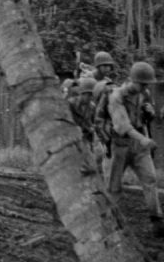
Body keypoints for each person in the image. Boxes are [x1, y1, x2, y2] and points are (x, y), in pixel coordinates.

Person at [106, 62, 163, 236]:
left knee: (150, 179)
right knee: (114, 187)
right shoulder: (116, 97)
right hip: (121, 144)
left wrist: (150, 112)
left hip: (139, 146)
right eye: (143, 83)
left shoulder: (144, 94)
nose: (145, 87)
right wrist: (144, 139)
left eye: (147, 84)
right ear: (132, 80)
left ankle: (157, 220)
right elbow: (122, 126)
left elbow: (146, 118)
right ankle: (109, 224)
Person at [68, 77, 104, 176]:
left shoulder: (92, 107)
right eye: (89, 95)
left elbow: (93, 122)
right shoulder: (70, 104)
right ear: (82, 93)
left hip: (86, 136)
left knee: (98, 154)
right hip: (71, 136)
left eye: (92, 95)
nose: (91, 98)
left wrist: (93, 128)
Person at [93, 51, 118, 158]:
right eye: (105, 65)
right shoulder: (89, 79)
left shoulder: (108, 81)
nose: (108, 68)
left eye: (109, 66)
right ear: (98, 66)